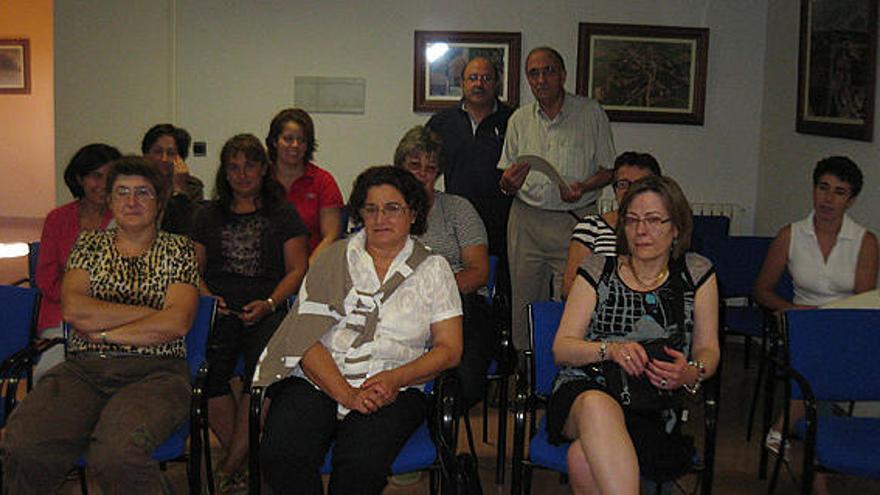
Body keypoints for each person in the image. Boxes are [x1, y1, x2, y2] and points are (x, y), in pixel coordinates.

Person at [254, 165, 463, 495]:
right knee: (282, 453)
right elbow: (303, 337)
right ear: (360, 214)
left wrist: (396, 379)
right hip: (320, 376)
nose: (381, 217)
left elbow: (449, 350)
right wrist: (347, 394)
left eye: (392, 208)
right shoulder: (332, 259)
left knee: (359, 464)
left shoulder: (434, 269)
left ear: (413, 213)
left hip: (395, 383)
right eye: (371, 208)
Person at [2, 157, 200, 494]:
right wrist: (149, 313)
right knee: (24, 443)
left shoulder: (178, 250)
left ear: (160, 200)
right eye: (122, 192)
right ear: (109, 200)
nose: (132, 201)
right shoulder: (89, 245)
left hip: (156, 374)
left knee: (116, 455)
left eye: (143, 192)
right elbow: (75, 310)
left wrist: (105, 330)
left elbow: (177, 322)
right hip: (84, 371)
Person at [548, 175, 720, 494]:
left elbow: (709, 349)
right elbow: (562, 348)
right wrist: (610, 350)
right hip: (586, 385)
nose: (641, 231)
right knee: (597, 406)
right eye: (632, 220)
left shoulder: (696, 272)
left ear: (677, 227)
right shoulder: (599, 268)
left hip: (653, 399)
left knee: (582, 458)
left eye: (654, 220)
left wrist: (690, 372)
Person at [191, 134, 309, 492]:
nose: (242, 175)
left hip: (268, 306)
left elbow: (297, 269)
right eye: (233, 167)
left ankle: (229, 464)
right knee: (207, 372)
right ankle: (244, 461)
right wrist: (210, 298)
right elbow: (191, 269)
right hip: (218, 308)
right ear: (224, 173)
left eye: (250, 166)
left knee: (263, 372)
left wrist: (270, 303)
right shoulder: (206, 213)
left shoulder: (283, 213)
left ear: (263, 169)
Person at [753, 156, 878, 491]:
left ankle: (785, 428)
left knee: (822, 368)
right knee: (818, 362)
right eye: (822, 188)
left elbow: (862, 304)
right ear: (813, 190)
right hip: (798, 324)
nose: (827, 199)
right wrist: (794, 311)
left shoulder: (865, 241)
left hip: (845, 326)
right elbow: (762, 290)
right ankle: (817, 474)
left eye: (839, 192)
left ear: (850, 200)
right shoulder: (790, 235)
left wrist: (829, 322)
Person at [498, 46, 616, 350]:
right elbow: (506, 179)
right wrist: (508, 184)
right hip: (527, 220)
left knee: (574, 298)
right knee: (524, 302)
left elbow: (609, 171)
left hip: (575, 221)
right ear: (527, 79)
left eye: (548, 70)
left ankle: (566, 368)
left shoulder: (590, 113)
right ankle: (526, 370)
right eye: (533, 73)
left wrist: (584, 186)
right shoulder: (519, 120)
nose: (541, 79)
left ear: (563, 74)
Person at [394, 125, 491, 411]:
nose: (422, 173)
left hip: (456, 302)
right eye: (414, 165)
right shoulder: (386, 212)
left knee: (464, 371)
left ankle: (444, 410)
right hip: (398, 302)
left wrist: (435, 295)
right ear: (399, 167)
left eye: (430, 167)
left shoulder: (458, 209)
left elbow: (478, 271)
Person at [33, 143, 121, 381]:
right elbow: (47, 280)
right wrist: (79, 296)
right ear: (80, 178)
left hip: (109, 317)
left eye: (110, 177)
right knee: (52, 375)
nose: (103, 185)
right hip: (60, 315)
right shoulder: (57, 219)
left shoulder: (126, 220)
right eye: (96, 176)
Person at [426, 56, 515, 290]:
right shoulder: (441, 122)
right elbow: (425, 167)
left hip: (505, 221)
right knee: (467, 286)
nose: (479, 84)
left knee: (503, 289)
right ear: (462, 83)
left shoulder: (514, 121)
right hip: (457, 220)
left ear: (497, 83)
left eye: (486, 78)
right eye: (473, 78)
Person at [561, 151, 662, 297]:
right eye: (623, 184)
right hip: (599, 312)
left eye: (640, 185)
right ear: (614, 189)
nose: (630, 191)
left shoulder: (667, 229)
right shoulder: (590, 228)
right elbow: (569, 287)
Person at [266, 108, 344, 262]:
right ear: (275, 141)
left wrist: (305, 271)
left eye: (301, 140)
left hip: (312, 268)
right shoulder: (260, 179)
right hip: (265, 272)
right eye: (288, 139)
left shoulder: (323, 181)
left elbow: (331, 236)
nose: (295, 145)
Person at [141, 123, 204, 235]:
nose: (164, 159)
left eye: (170, 153)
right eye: (158, 152)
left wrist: (179, 190)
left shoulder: (192, 187)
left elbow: (187, 230)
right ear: (146, 155)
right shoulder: (136, 184)